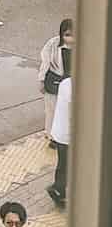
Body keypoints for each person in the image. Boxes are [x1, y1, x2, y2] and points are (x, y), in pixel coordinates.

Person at [38, 19, 74, 143]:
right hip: (54, 81)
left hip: (71, 85)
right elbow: (45, 63)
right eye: (67, 35)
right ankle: (51, 136)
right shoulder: (52, 44)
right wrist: (41, 80)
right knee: (51, 110)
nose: (70, 39)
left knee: (68, 112)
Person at [47, 76, 71, 208]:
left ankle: (58, 189)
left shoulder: (65, 83)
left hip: (60, 133)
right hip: (68, 135)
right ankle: (58, 189)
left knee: (63, 163)